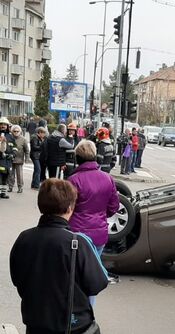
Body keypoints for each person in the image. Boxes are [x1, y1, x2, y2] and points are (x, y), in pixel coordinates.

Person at [9, 178, 108, 334]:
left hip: (36, 322)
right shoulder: (78, 242)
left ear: (40, 206)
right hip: (72, 324)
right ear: (70, 208)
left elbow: (17, 278)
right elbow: (98, 283)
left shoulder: (24, 238)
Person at [68, 140, 120, 288]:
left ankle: (75, 308)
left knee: (76, 276)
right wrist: (101, 215)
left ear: (77, 158)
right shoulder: (107, 178)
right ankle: (88, 308)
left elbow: (66, 208)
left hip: (77, 234)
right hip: (99, 233)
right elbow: (114, 206)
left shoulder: (73, 180)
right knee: (92, 275)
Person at [8, 125, 29, 193]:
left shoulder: (23, 139)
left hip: (19, 160)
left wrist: (27, 159)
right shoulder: (9, 138)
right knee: (11, 174)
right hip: (10, 159)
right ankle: (10, 187)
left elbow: (27, 150)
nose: (16, 132)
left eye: (17, 131)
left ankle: (20, 187)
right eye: (14, 131)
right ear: (12, 131)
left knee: (19, 175)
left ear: (20, 131)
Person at [0, 117, 17, 199]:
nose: (3, 126)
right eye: (1, 124)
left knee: (5, 178)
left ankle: (3, 193)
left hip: (7, 161)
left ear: (7, 126)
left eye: (4, 125)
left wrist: (13, 154)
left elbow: (15, 147)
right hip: (0, 160)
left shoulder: (10, 137)